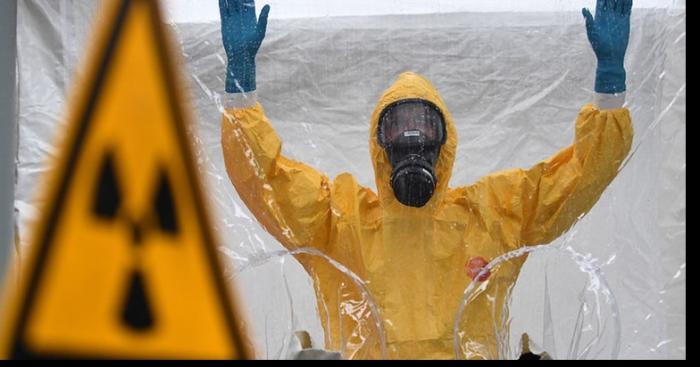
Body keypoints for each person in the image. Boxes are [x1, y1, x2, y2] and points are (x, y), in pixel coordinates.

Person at [219, 0, 634, 359]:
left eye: (424, 127)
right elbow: (264, 178)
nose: (412, 141)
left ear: (444, 140)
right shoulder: (341, 222)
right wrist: (240, 89)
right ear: (380, 143)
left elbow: (578, 177)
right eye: (398, 129)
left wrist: (609, 88)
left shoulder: (492, 214)